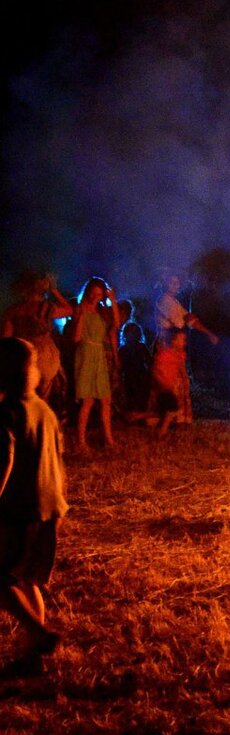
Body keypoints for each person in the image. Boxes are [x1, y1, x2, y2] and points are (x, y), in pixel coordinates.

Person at [0, 338, 67, 676]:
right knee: (29, 582)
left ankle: (39, 634)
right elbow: (57, 456)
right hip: (50, 506)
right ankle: (33, 656)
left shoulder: (8, 412)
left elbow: (5, 460)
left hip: (21, 510)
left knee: (4, 578)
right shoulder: (45, 410)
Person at [152, 272, 218, 424]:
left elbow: (190, 319)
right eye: (171, 282)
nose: (175, 285)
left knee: (180, 381)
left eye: (177, 283)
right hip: (167, 346)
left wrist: (208, 333)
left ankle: (176, 418)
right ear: (165, 284)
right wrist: (189, 320)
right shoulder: (164, 301)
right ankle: (163, 418)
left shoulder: (174, 301)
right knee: (168, 383)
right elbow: (181, 322)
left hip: (175, 347)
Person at [1, 272, 72, 402]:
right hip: (44, 355)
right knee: (43, 394)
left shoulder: (13, 310)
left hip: (21, 353)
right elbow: (69, 310)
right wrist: (54, 291)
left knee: (23, 393)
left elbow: (6, 338)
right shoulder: (45, 308)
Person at [68, 277, 120, 451]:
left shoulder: (102, 312)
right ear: (88, 292)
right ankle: (81, 441)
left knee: (106, 399)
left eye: (99, 294)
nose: (95, 297)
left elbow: (116, 324)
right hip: (85, 355)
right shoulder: (80, 309)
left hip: (99, 356)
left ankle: (109, 439)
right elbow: (75, 338)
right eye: (93, 293)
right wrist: (81, 316)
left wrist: (112, 301)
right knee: (88, 401)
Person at [148, 329, 189, 437]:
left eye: (185, 340)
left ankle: (162, 430)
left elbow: (181, 368)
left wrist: (185, 380)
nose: (184, 342)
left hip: (169, 386)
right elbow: (155, 369)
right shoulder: (164, 354)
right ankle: (162, 431)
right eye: (182, 340)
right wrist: (161, 381)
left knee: (169, 409)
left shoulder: (180, 354)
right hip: (164, 386)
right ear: (174, 341)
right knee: (171, 409)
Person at [118, 322, 152, 415]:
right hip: (130, 376)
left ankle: (139, 413)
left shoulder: (141, 347)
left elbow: (149, 361)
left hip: (140, 375)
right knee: (131, 396)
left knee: (140, 396)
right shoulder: (123, 349)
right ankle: (132, 413)